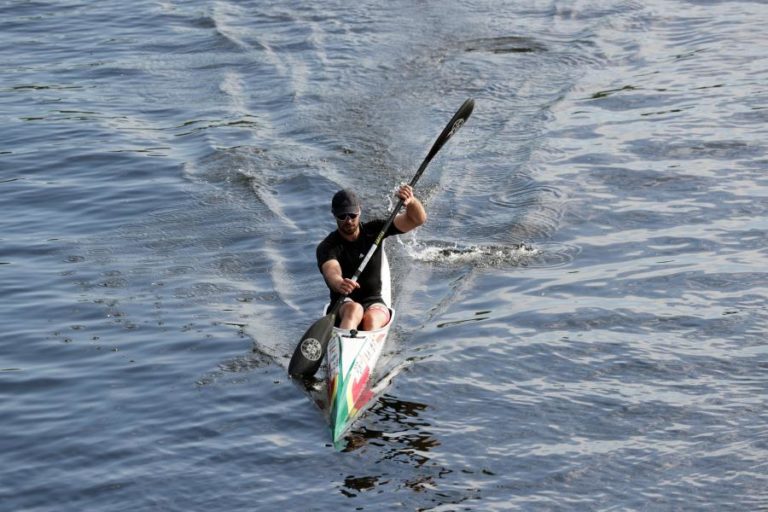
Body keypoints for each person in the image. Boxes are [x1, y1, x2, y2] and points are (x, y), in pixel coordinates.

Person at [316, 185, 426, 331]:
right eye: (342, 216)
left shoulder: (374, 231)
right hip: (343, 303)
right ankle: (345, 348)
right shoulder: (327, 246)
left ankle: (363, 345)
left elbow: (417, 220)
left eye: (352, 215)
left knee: (371, 318)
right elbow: (331, 271)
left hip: (374, 301)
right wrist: (339, 283)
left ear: (359, 211)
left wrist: (411, 202)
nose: (348, 221)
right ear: (334, 215)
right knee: (354, 310)